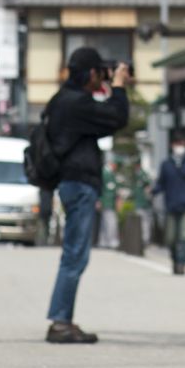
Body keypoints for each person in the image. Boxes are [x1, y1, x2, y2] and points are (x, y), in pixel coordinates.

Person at [44, 49, 130, 344]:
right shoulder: (77, 103)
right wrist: (118, 86)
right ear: (92, 73)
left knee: (74, 253)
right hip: (79, 184)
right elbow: (117, 117)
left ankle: (62, 318)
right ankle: (60, 321)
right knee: (75, 254)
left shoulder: (62, 99)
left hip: (71, 183)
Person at [152, 132, 185, 274]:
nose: (180, 147)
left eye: (183, 144)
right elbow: (161, 184)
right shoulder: (166, 164)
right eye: (178, 144)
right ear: (172, 145)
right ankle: (174, 259)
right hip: (171, 205)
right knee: (171, 238)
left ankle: (181, 263)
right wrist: (152, 191)